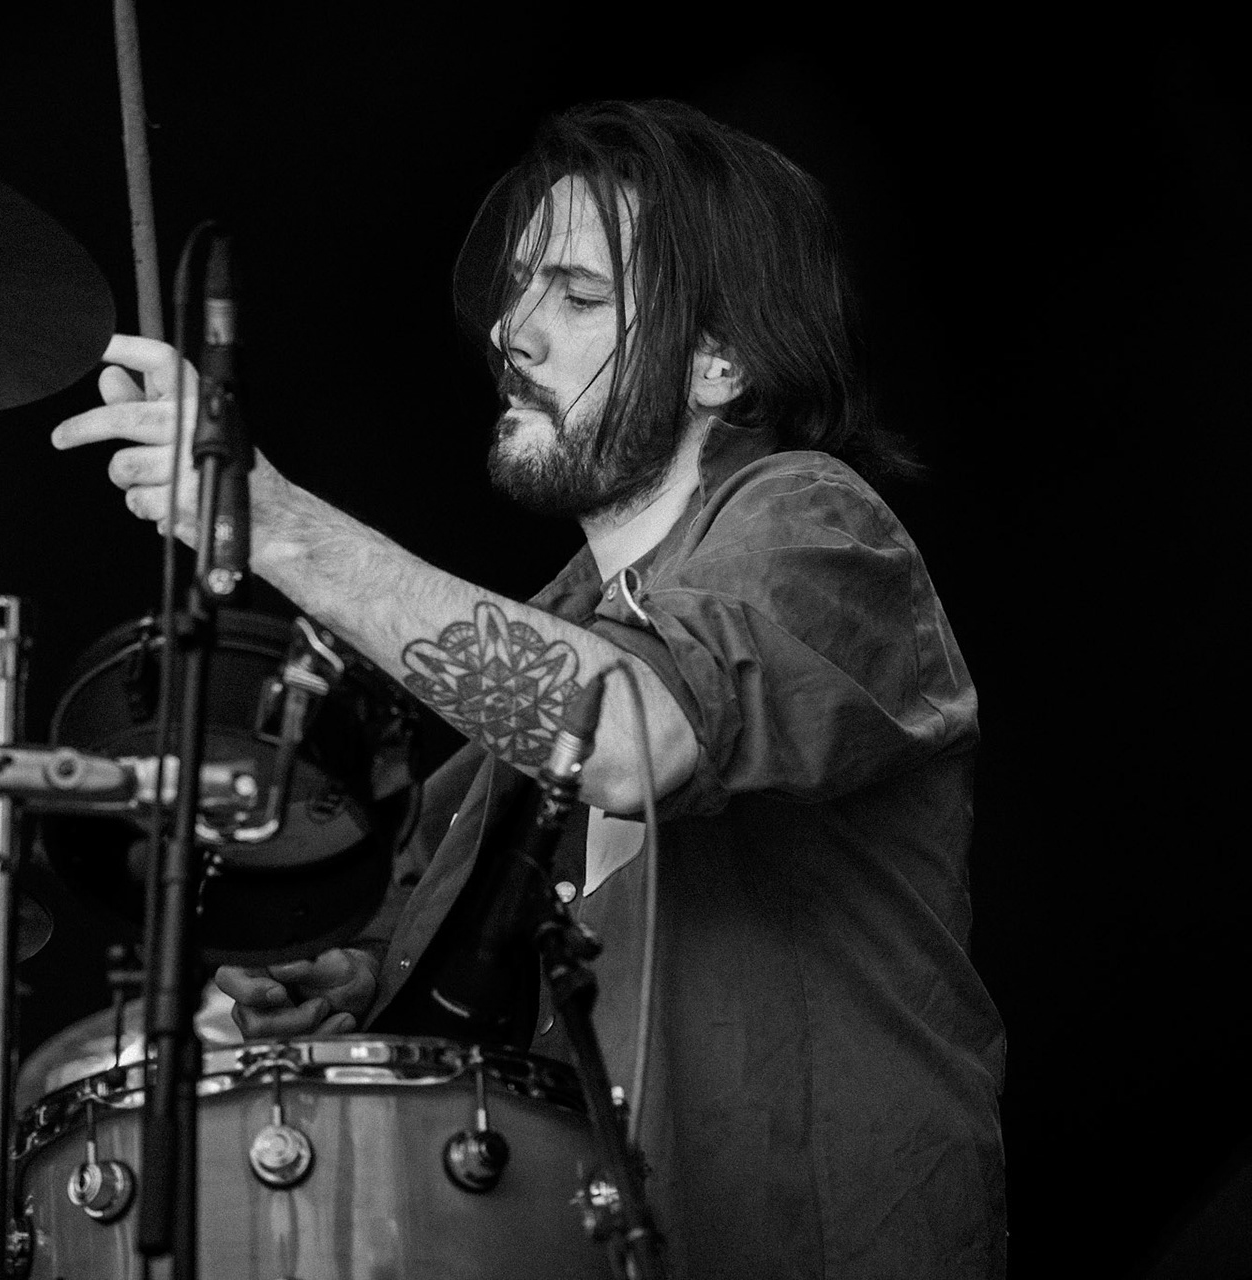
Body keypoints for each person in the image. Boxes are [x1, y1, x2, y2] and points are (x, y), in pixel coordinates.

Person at [52, 99, 1005, 1280]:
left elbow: (623, 732)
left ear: (723, 358)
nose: (513, 329)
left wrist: (274, 522)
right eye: (519, 289)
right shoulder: (562, 617)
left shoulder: (817, 524)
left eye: (581, 296)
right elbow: (483, 939)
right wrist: (355, 981)